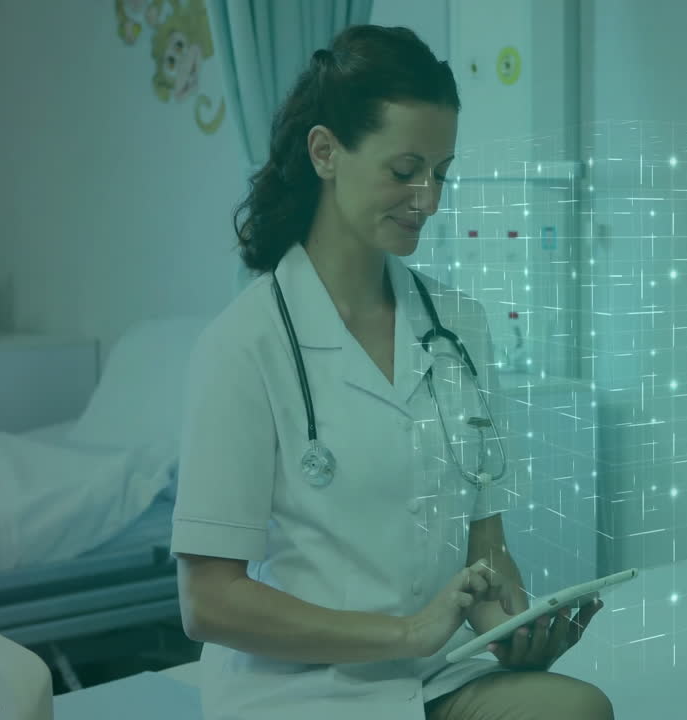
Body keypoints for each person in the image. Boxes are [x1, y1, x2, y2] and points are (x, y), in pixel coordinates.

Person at [170, 25, 612, 720]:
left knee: (578, 709)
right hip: (298, 692)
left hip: (437, 675)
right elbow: (207, 601)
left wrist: (511, 627)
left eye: (442, 172)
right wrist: (405, 632)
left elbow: (485, 550)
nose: (429, 198)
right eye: (405, 170)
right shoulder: (244, 344)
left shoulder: (459, 327)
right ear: (325, 153)